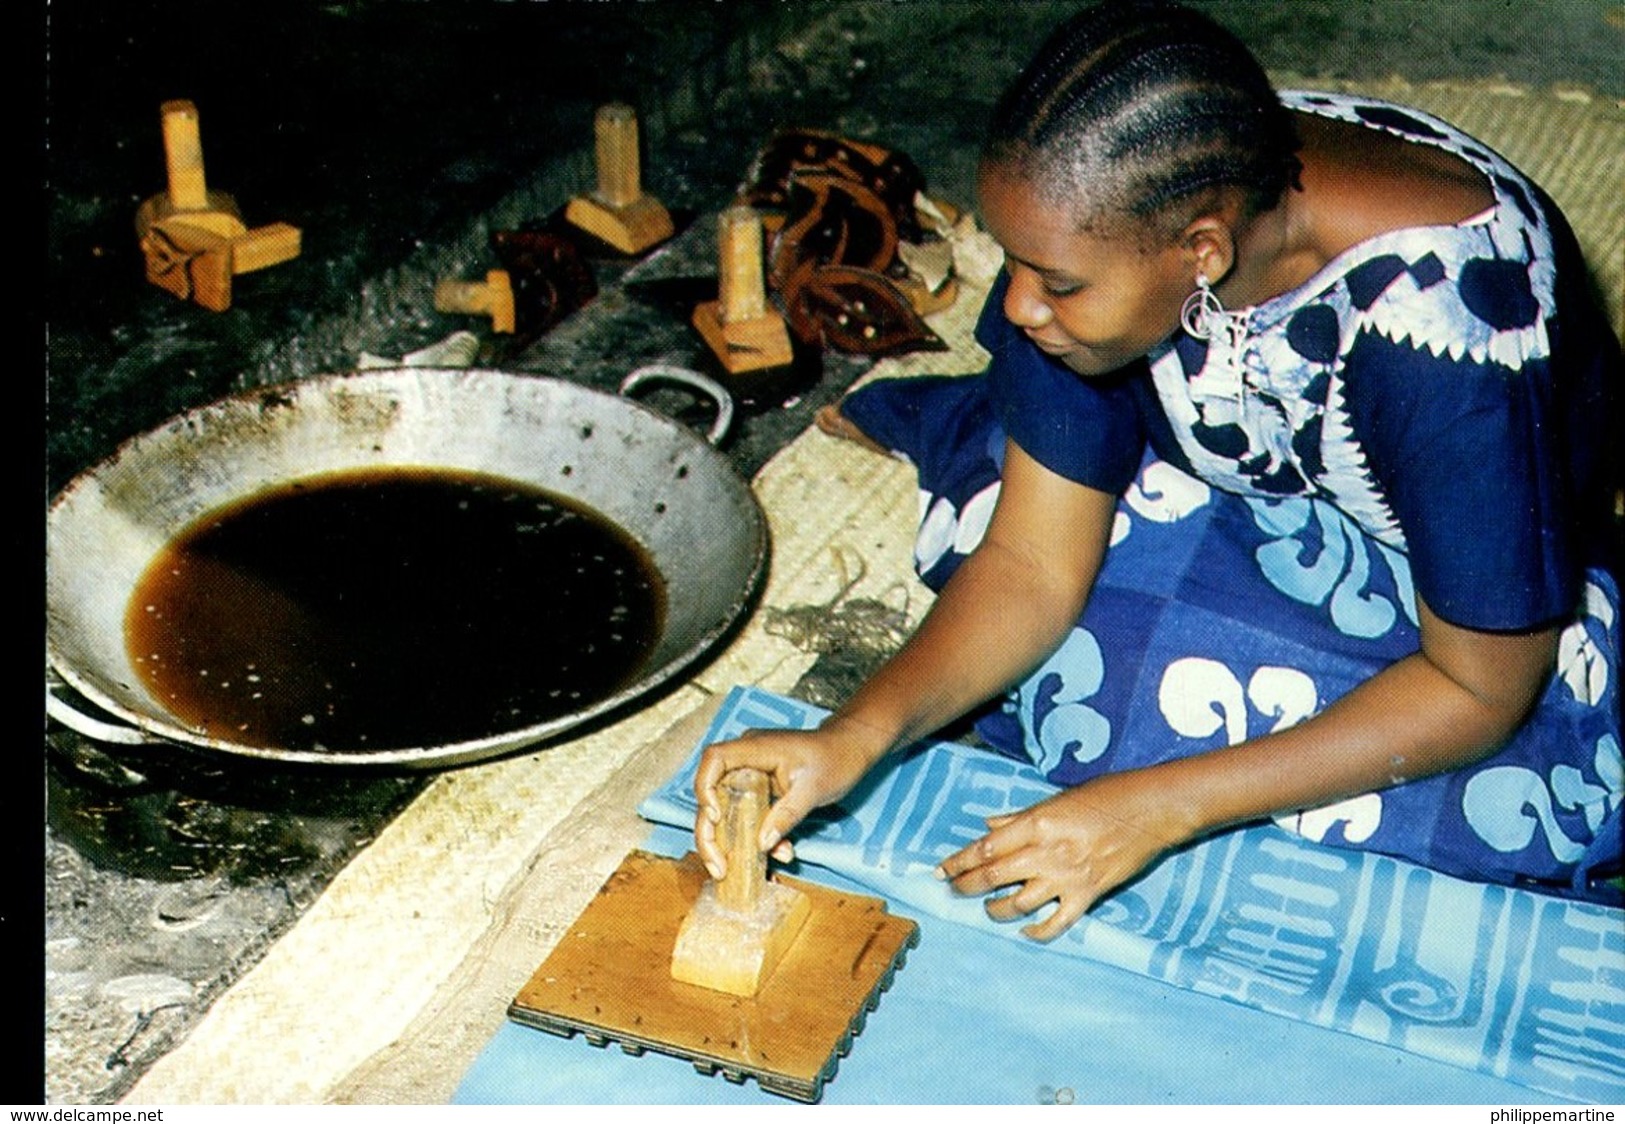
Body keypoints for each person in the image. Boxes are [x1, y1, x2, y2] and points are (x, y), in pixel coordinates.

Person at [696, 0, 1622, 939]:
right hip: (1231, 443)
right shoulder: (1131, 205)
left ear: (1205, 253)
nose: (1014, 304)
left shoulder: (1450, 341)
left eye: (1054, 282)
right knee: (1012, 561)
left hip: (1470, 590)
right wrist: (852, 737)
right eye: (1013, 263)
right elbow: (1029, 563)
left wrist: (1155, 809)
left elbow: (1478, 690)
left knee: (1473, 795)